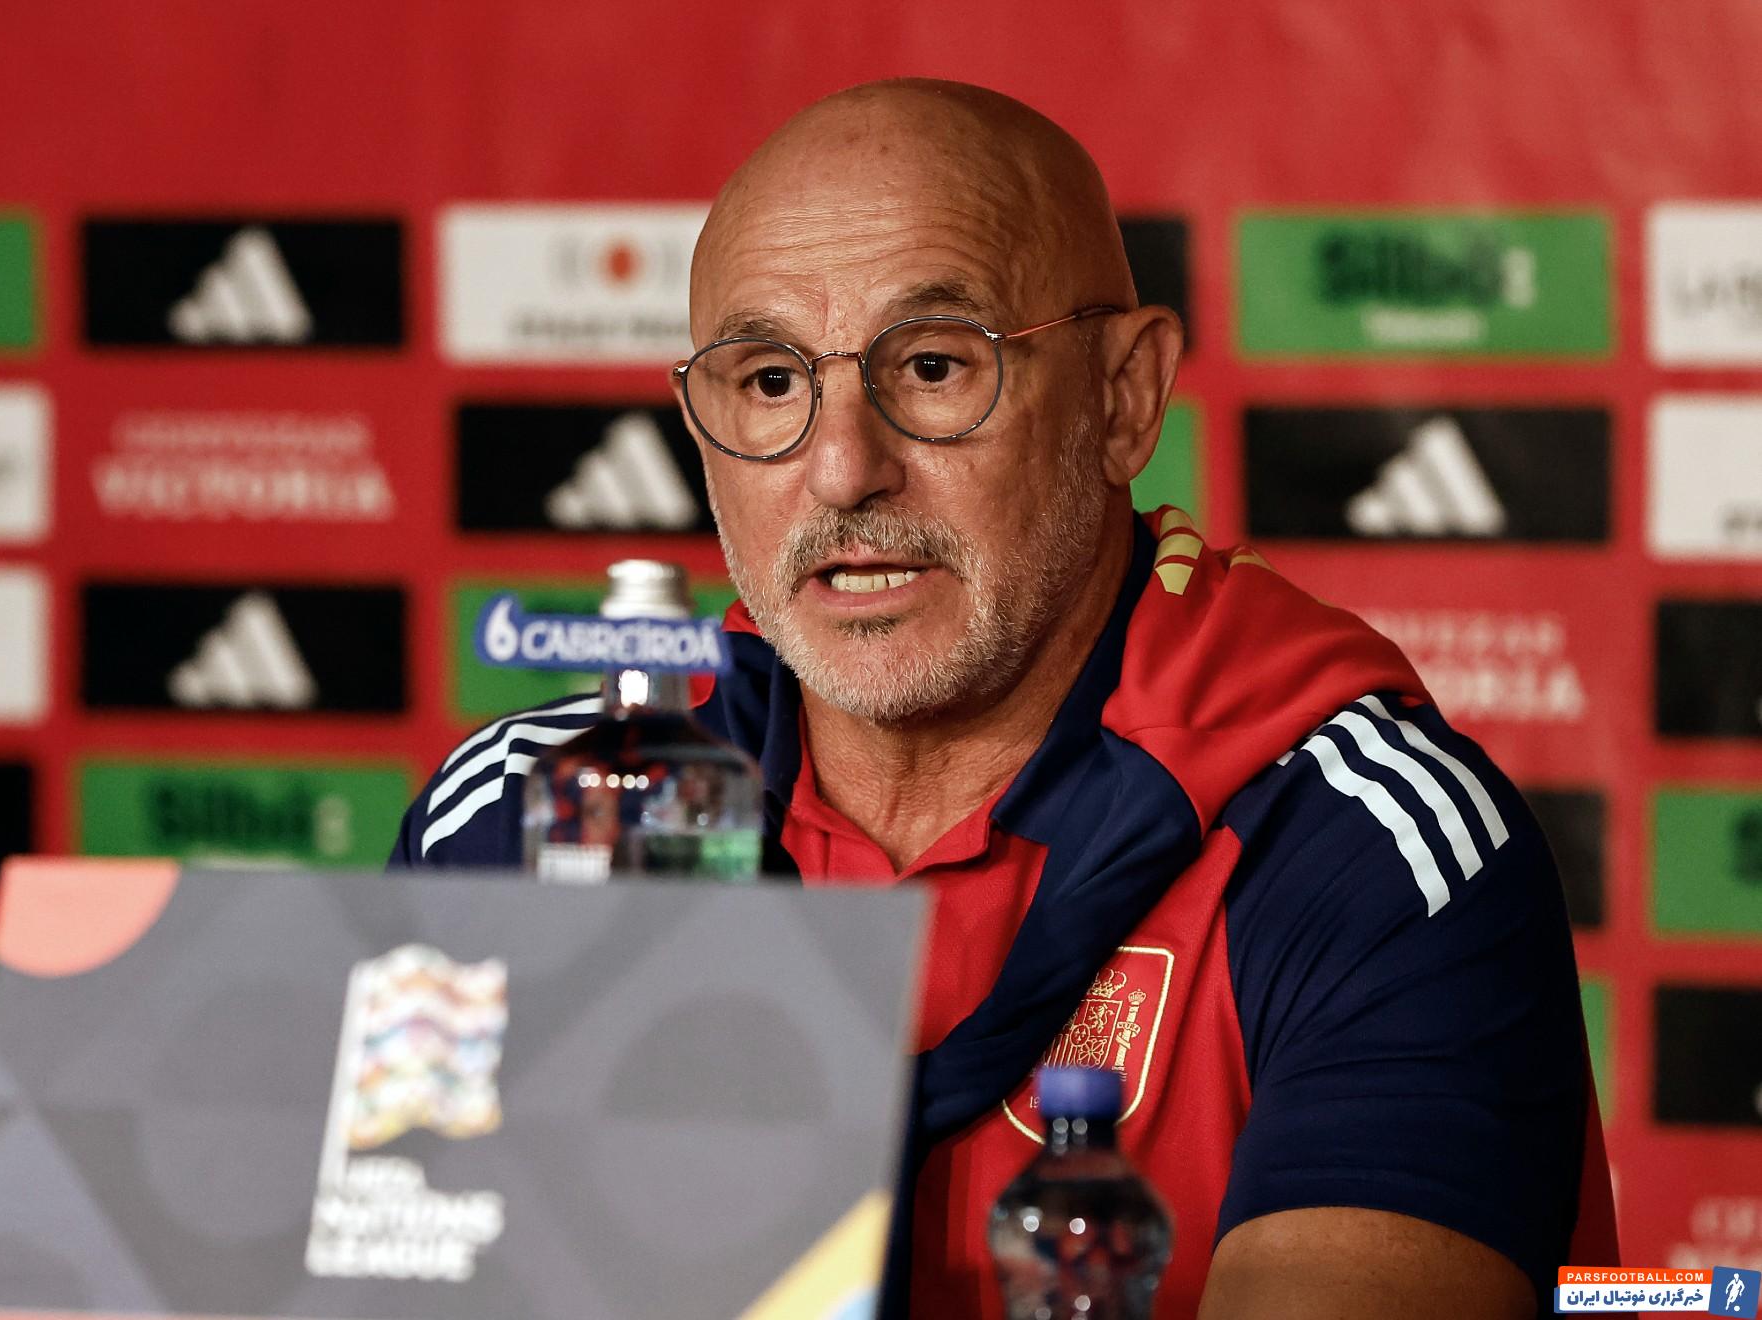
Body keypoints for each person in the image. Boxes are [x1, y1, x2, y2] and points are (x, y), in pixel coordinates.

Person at [391, 79, 1618, 1318]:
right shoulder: (532, 819)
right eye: (767, 383)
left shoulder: (1364, 848)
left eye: (933, 367)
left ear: (1123, 398)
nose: (843, 469)